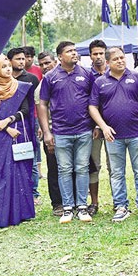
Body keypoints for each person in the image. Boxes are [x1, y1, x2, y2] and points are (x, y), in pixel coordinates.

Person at [89, 47, 138, 222]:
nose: (120, 61)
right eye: (116, 59)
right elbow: (93, 107)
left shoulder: (137, 77)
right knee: (116, 173)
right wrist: (103, 127)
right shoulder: (100, 82)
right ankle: (121, 206)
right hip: (113, 135)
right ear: (108, 62)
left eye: (122, 57)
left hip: (137, 133)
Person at [38, 41, 95, 223]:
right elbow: (42, 104)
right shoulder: (50, 77)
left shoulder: (86, 73)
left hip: (84, 129)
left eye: (75, 50)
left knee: (82, 168)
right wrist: (47, 132)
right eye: (69, 51)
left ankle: (82, 207)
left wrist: (96, 125)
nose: (74, 53)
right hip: (60, 131)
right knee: (64, 169)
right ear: (60, 56)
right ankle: (67, 208)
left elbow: (94, 101)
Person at [0, 55, 36, 228]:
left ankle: (23, 212)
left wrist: (9, 120)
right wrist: (6, 127)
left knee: (21, 171)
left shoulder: (20, 87)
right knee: (2, 172)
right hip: (0, 134)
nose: (7, 69)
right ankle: (2, 215)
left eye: (9, 66)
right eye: (3, 67)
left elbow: (25, 110)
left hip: (17, 130)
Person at [8, 47, 42, 204]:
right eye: (18, 59)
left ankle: (33, 193)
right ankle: (16, 192)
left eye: (23, 59)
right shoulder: (5, 78)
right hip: (9, 123)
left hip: (29, 122)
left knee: (30, 158)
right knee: (12, 158)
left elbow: (38, 103)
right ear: (10, 61)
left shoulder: (32, 78)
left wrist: (39, 124)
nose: (22, 61)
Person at [37, 51, 64, 215]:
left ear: (55, 61)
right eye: (41, 64)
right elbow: (40, 110)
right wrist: (46, 131)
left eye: (47, 63)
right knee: (53, 168)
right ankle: (57, 203)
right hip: (52, 132)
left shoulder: (65, 78)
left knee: (73, 168)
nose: (45, 67)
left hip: (70, 130)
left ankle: (75, 201)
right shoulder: (41, 86)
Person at [86, 39, 109, 215]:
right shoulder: (86, 76)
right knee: (93, 166)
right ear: (90, 56)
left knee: (114, 166)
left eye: (101, 53)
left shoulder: (115, 72)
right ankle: (94, 203)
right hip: (92, 128)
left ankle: (119, 202)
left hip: (113, 126)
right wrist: (96, 125)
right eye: (95, 54)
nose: (99, 57)